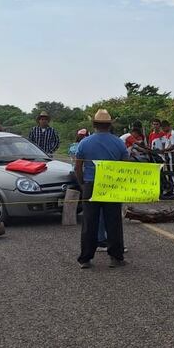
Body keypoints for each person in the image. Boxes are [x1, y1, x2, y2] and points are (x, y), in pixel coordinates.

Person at [74, 109, 129, 269]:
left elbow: (78, 167)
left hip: (91, 185)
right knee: (113, 222)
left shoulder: (85, 142)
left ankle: (85, 259)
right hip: (112, 185)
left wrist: (82, 184)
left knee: (89, 222)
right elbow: (126, 165)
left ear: (94, 124)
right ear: (109, 125)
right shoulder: (119, 142)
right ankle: (116, 257)